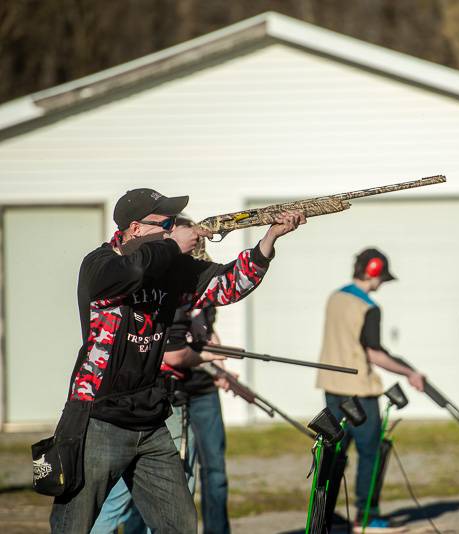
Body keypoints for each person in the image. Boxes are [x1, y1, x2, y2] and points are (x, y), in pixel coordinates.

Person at [51, 187, 305, 533]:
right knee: (74, 524)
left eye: (174, 222)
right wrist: (172, 245)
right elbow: (131, 273)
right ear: (135, 228)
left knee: (180, 523)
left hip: (149, 416)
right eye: (165, 222)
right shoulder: (100, 264)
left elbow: (228, 285)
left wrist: (269, 240)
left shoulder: (173, 269)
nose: (173, 228)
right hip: (98, 414)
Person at [90, 217, 234, 534]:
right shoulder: (166, 285)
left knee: (202, 476)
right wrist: (210, 357)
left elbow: (206, 333)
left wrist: (223, 372)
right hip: (164, 396)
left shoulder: (201, 283)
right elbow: (174, 352)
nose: (198, 250)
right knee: (127, 493)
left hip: (199, 389)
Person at [316, 248, 424, 531]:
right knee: (372, 453)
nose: (381, 284)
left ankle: (320, 520)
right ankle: (367, 516)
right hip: (360, 393)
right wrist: (410, 372)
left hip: (331, 387)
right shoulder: (369, 307)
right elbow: (374, 354)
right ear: (372, 271)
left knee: (334, 457)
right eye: (381, 278)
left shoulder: (335, 297)